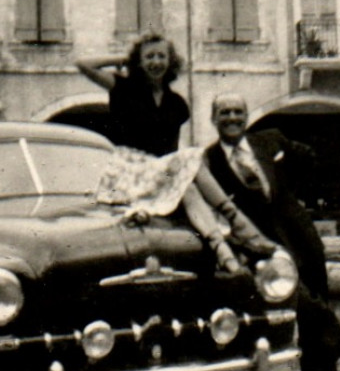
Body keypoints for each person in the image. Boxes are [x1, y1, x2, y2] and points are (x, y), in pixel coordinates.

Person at [202, 93, 340, 371]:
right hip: (261, 247)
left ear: (246, 116)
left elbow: (312, 159)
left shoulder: (270, 140)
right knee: (304, 305)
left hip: (301, 239)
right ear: (213, 119)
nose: (232, 117)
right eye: (224, 112)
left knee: (312, 320)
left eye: (238, 111)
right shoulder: (209, 161)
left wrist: (292, 199)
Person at [76, 35, 279, 274]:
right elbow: (83, 64)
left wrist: (181, 173)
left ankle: (225, 253)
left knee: (187, 185)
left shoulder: (176, 103)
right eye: (149, 56)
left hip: (160, 174)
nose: (156, 62)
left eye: (161, 56)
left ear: (170, 62)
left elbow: (171, 150)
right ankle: (243, 229)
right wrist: (123, 59)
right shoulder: (124, 88)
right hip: (128, 175)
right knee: (190, 160)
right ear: (139, 62)